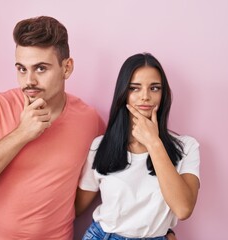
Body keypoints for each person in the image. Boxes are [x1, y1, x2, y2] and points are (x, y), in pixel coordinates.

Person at [0, 16, 106, 240]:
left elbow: (95, 186)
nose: (28, 81)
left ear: (66, 68)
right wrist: (22, 133)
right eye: (22, 69)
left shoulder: (90, 120)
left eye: (41, 68)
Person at [75, 53, 200, 240]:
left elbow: (183, 209)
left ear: (163, 94)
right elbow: (75, 208)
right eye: (134, 88)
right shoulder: (101, 146)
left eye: (155, 88)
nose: (145, 97)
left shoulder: (186, 147)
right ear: (123, 93)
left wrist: (153, 142)